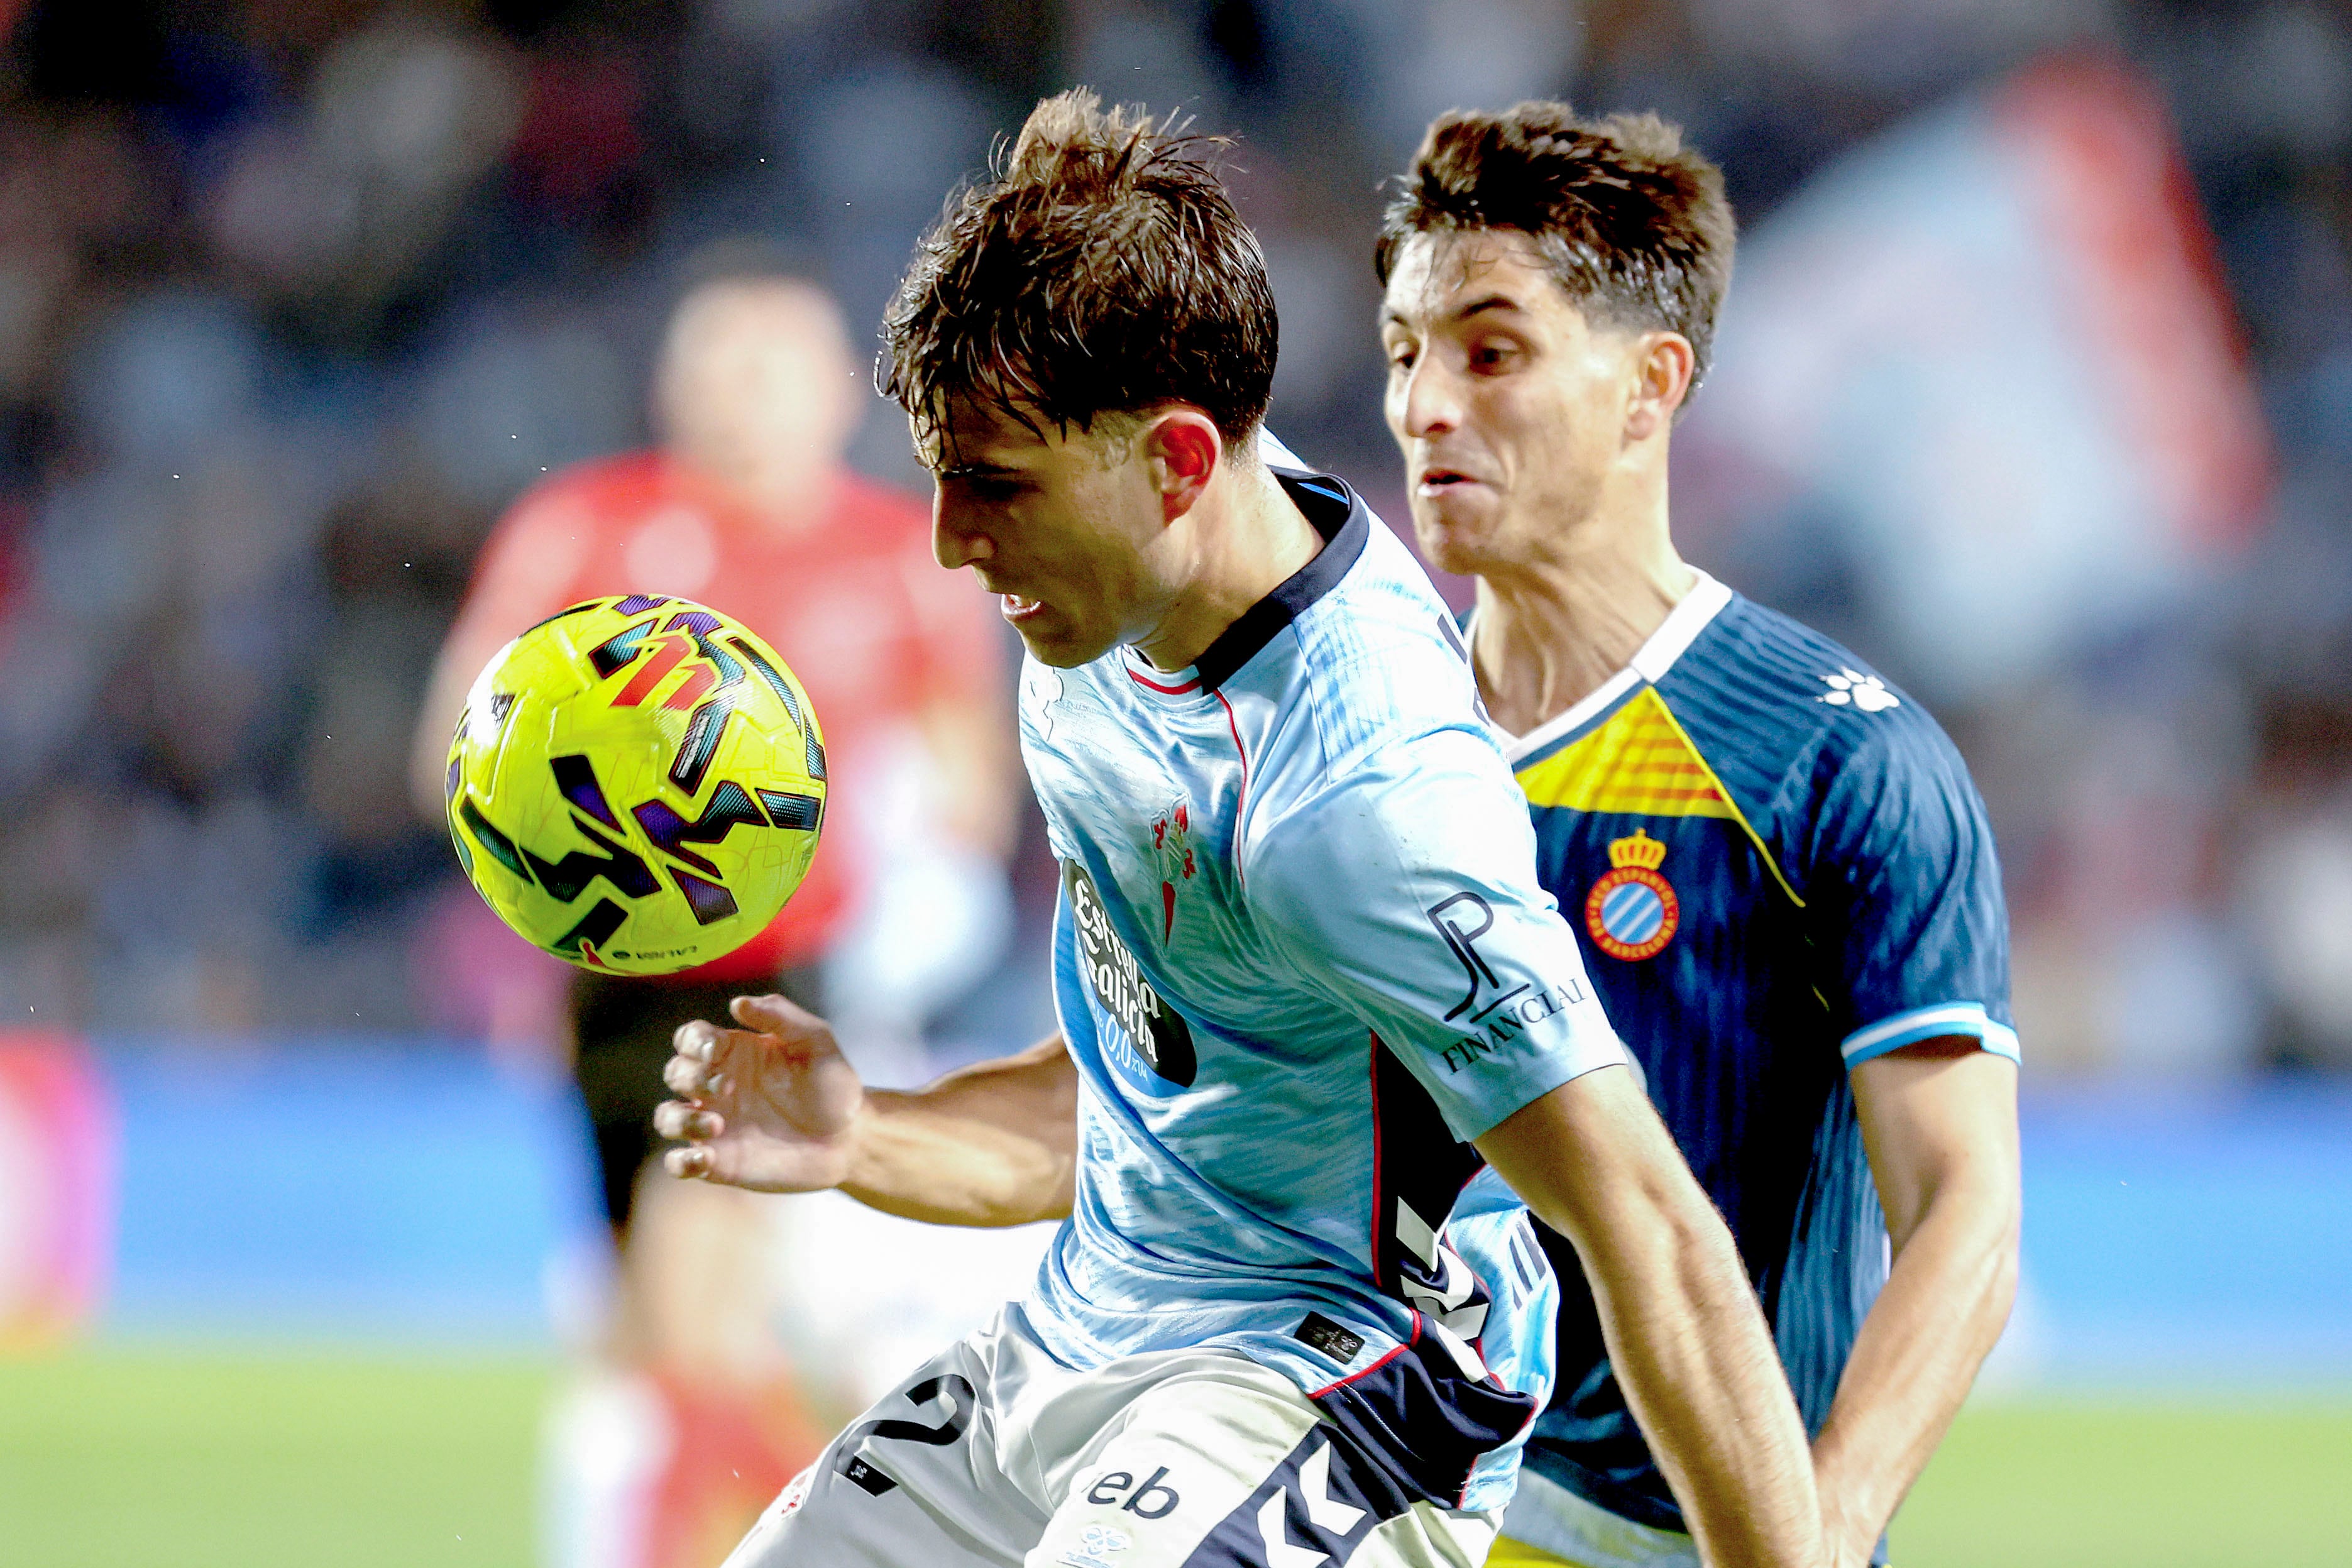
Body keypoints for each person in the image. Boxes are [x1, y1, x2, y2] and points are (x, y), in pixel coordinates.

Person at [656, 90, 1825, 1568]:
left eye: (994, 486)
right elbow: (1149, 1089)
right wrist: (867, 1133)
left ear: (1177, 463)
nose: (949, 541)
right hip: (1077, 1336)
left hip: (1336, 1380)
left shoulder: (1363, 800)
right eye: (940, 477)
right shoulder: (1094, 627)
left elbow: (1645, 1223)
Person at [1371, 104, 2022, 1568]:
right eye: (1404, 353)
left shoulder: (1832, 761)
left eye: (1490, 352)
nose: (1424, 406)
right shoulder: (1351, 740)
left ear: (1646, 388)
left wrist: (1816, 1533)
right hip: (1378, 1507)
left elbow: (1959, 1209)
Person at [410, 271, 1017, 1568]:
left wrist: (919, 881)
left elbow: (971, 787)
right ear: (670, 384)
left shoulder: (900, 554)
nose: (743, 398)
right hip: (625, 990)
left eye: (771, 368)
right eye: (719, 366)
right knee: (664, 1344)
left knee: (703, 1319)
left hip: (811, 980)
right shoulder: (585, 530)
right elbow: (453, 749)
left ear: (832, 394)